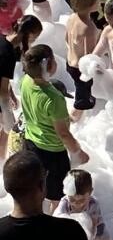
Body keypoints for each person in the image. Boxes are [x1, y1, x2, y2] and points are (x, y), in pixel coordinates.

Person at [20, 44, 89, 212]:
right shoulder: (54, 99)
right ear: (49, 65)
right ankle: (53, 217)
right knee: (57, 196)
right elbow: (63, 134)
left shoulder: (26, 81)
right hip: (52, 154)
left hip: (30, 143)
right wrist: (78, 152)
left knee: (37, 185)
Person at [0, 14, 41, 159]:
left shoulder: (3, 39)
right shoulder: (8, 53)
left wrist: (11, 94)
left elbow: (2, 78)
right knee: (8, 130)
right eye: (34, 38)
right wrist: (8, 113)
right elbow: (2, 90)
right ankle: (2, 160)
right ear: (29, 35)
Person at [54, 168, 111, 240]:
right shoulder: (64, 204)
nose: (77, 203)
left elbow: (96, 224)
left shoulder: (93, 204)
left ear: (90, 192)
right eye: (72, 199)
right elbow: (57, 220)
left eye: (81, 200)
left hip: (92, 229)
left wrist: (96, 239)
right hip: (70, 230)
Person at [65, 0, 100, 116]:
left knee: (80, 88)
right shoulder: (89, 28)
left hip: (70, 62)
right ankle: (75, 115)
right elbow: (89, 56)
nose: (99, 1)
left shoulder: (71, 18)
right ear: (90, 5)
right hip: (81, 69)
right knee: (83, 97)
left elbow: (66, 38)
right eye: (97, 0)